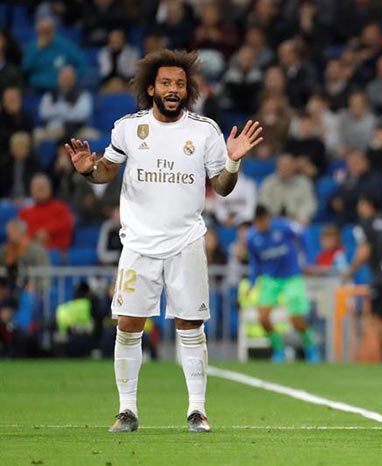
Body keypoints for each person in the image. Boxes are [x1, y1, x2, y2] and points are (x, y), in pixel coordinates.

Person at [64, 49, 264, 433]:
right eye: (167, 83)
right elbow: (106, 170)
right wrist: (88, 170)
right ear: (151, 87)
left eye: (180, 84)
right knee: (128, 325)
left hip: (186, 242)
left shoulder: (204, 131)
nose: (173, 90)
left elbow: (222, 187)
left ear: (188, 91)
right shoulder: (127, 128)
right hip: (139, 244)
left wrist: (234, 161)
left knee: (190, 326)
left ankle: (197, 410)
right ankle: (126, 410)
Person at [246, 205, 320, 363]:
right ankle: (279, 350)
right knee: (263, 318)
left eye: (263, 221)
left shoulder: (284, 226)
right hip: (270, 279)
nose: (261, 226)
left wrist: (307, 259)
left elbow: (304, 233)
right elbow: (254, 262)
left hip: (291, 276)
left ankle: (310, 348)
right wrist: (252, 282)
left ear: (268, 218)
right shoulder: (252, 237)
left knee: (296, 319)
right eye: (257, 223)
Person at [344, 194, 382, 363]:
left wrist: (350, 272)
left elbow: (365, 250)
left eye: (361, 204)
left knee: (376, 318)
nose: (359, 208)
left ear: (368, 205)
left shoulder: (365, 224)